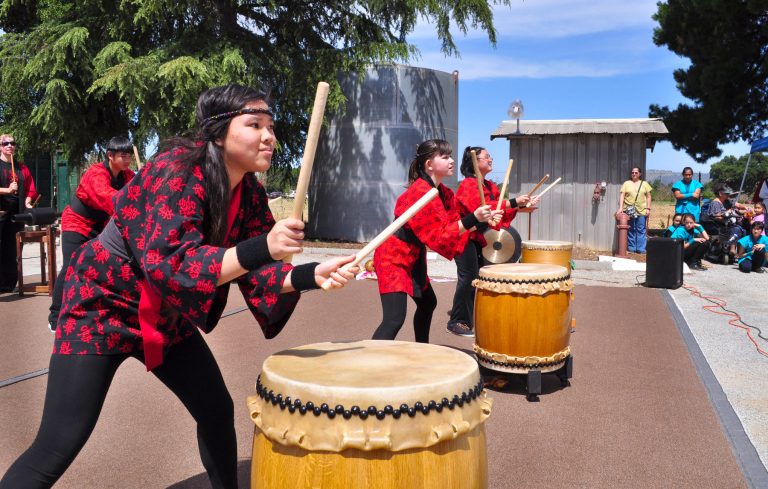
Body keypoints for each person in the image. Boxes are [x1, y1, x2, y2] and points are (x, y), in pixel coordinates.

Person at [0, 84, 357, 489]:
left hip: (165, 315)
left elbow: (259, 275)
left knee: (216, 410)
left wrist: (313, 275)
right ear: (218, 133)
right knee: (57, 445)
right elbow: (173, 264)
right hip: (101, 305)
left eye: (271, 126)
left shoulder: (251, 194)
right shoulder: (177, 171)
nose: (269, 136)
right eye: (255, 124)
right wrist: (264, 246)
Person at [372, 139, 499, 343]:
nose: (451, 161)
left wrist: (480, 221)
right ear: (429, 164)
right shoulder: (418, 194)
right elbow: (439, 236)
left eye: (450, 156)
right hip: (393, 256)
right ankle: (368, 365)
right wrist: (473, 218)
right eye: (445, 156)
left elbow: (455, 224)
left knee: (428, 303)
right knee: (394, 319)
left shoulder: (445, 193)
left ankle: (422, 349)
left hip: (413, 255)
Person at [47, 136, 137, 330]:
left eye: (129, 155)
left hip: (102, 226)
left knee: (103, 268)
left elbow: (137, 193)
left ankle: (96, 310)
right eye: (123, 155)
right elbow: (110, 199)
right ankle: (55, 316)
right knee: (72, 266)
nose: (128, 159)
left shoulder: (128, 175)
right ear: (110, 155)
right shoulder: (95, 173)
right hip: (77, 223)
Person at [446, 146, 537, 337]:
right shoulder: (468, 185)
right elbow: (483, 209)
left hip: (477, 237)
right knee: (468, 277)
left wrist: (522, 206)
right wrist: (513, 202)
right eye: (487, 157)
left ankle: (469, 315)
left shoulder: (491, 187)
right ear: (475, 162)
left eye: (490, 157)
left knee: (477, 278)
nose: (491, 160)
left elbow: (498, 211)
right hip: (462, 236)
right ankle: (457, 320)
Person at [0, 133, 39, 293]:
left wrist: (28, 201)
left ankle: (8, 283)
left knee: (12, 248)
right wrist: (7, 190)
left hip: (17, 213)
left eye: (12, 143)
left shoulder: (21, 167)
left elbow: (31, 188)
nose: (9, 145)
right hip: (1, 211)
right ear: (0, 147)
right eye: (5, 143)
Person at [616, 166, 652, 254]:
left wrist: (648, 208)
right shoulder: (626, 183)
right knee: (631, 228)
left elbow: (648, 197)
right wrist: (621, 208)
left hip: (641, 210)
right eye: (632, 173)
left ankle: (641, 249)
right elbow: (622, 196)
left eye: (636, 173)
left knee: (641, 229)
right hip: (629, 210)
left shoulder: (645, 184)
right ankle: (632, 248)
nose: (634, 174)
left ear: (640, 174)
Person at [708, 183, 747, 257]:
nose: (728, 195)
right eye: (727, 194)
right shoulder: (715, 203)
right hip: (718, 225)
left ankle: (739, 251)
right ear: (720, 193)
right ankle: (732, 248)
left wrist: (746, 208)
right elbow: (715, 217)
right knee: (736, 229)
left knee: (743, 230)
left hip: (728, 224)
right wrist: (726, 214)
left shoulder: (727, 201)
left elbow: (737, 205)